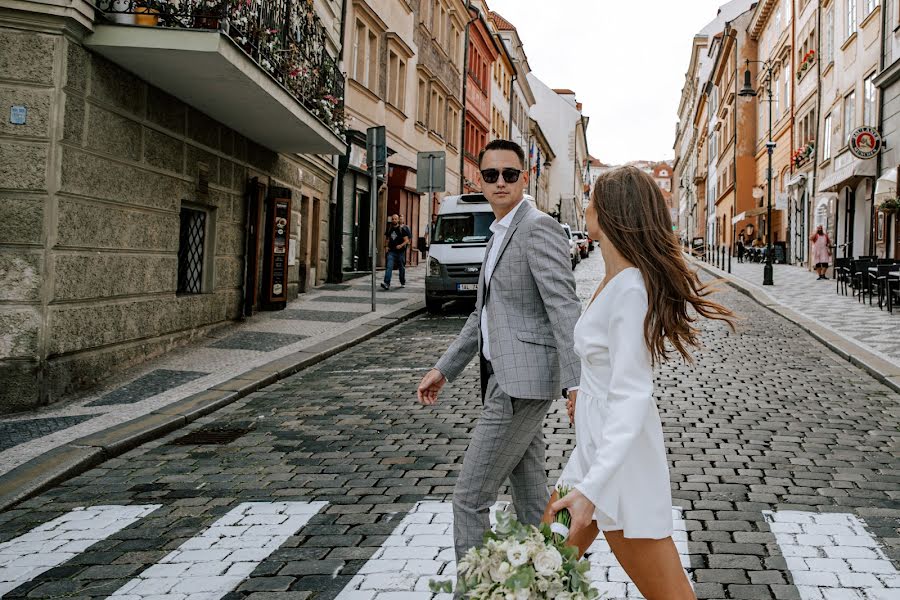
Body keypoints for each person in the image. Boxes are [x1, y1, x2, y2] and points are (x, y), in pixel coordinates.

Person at [546, 166, 734, 600]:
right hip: (592, 453)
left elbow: (632, 393)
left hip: (617, 467)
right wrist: (584, 394)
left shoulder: (630, 288)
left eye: (592, 197)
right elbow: (606, 372)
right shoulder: (614, 279)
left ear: (611, 211)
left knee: (669, 596)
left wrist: (591, 489)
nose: (586, 204)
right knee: (539, 564)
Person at [416, 139, 581, 564]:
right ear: (480, 180)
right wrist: (445, 369)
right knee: (531, 502)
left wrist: (576, 383)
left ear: (524, 178)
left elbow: (563, 306)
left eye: (510, 174)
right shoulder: (498, 232)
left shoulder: (536, 226)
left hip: (519, 385)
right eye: (491, 175)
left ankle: (472, 594)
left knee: (469, 499)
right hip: (501, 378)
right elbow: (482, 315)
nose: (501, 182)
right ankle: (552, 582)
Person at [381, 214, 410, 290]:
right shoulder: (389, 229)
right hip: (391, 251)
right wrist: (386, 247)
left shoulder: (401, 229)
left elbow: (407, 240)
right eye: (393, 219)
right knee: (389, 266)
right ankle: (386, 283)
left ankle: (402, 281)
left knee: (401, 267)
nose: (394, 220)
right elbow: (387, 239)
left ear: (398, 220)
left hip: (400, 252)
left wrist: (401, 245)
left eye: (395, 219)